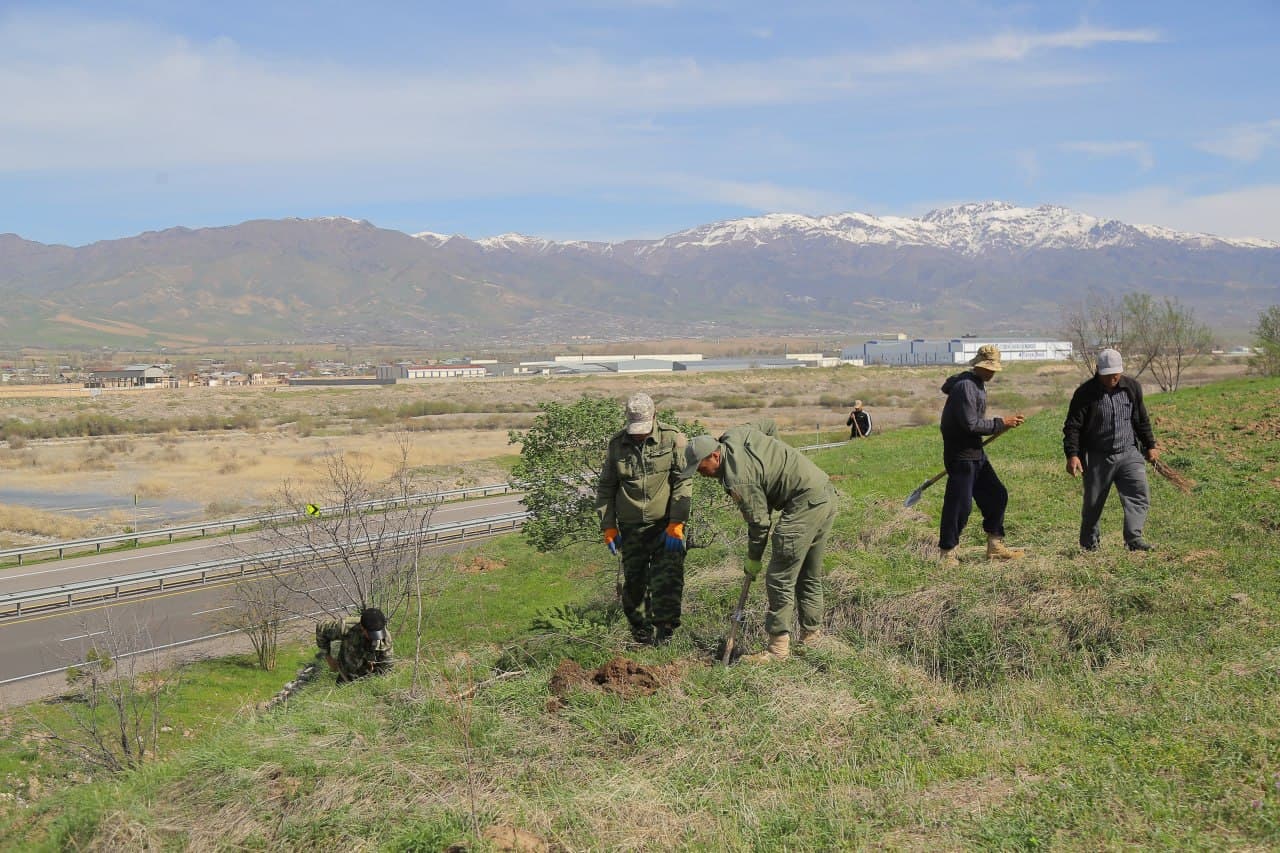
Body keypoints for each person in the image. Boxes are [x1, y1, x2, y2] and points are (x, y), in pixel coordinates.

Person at [681, 419, 838, 662]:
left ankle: (778, 650)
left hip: (804, 504)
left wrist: (753, 558)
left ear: (714, 455)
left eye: (701, 468)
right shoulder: (734, 434)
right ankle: (811, 638)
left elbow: (760, 524)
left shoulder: (739, 479)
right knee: (808, 573)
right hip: (824, 492)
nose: (702, 475)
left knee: (779, 578)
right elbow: (767, 424)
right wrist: (780, 462)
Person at [596, 393, 692, 645]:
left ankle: (666, 635)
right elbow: (606, 488)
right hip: (631, 529)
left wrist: (677, 522)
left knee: (668, 580)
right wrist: (608, 526)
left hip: (666, 527)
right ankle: (641, 635)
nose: (639, 435)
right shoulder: (617, 445)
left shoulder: (673, 438)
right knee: (635, 583)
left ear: (655, 416)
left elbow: (683, 482)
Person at [1062, 348, 1160, 552]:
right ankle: (1090, 544)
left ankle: (1134, 539)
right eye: (1107, 375)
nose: (1112, 379)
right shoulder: (1085, 393)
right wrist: (1073, 455)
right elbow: (1072, 427)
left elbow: (1141, 419)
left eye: (1116, 374)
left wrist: (1150, 445)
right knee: (1093, 504)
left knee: (1138, 494)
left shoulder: (1132, 388)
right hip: (1098, 456)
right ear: (1098, 370)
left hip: (1128, 452)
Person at [938, 344, 1026, 567]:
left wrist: (1002, 425)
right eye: (988, 368)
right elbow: (970, 424)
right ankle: (947, 553)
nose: (992, 373)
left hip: (975, 452)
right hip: (961, 454)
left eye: (993, 369)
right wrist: (1000, 423)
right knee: (959, 506)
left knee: (996, 495)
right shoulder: (965, 387)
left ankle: (995, 546)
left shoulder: (976, 384)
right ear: (978, 366)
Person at [315, 607, 393, 682]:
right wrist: (328, 657)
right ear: (362, 627)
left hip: (371, 677)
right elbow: (321, 628)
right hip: (346, 674)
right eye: (371, 634)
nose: (376, 639)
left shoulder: (385, 637)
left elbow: (387, 665)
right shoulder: (346, 627)